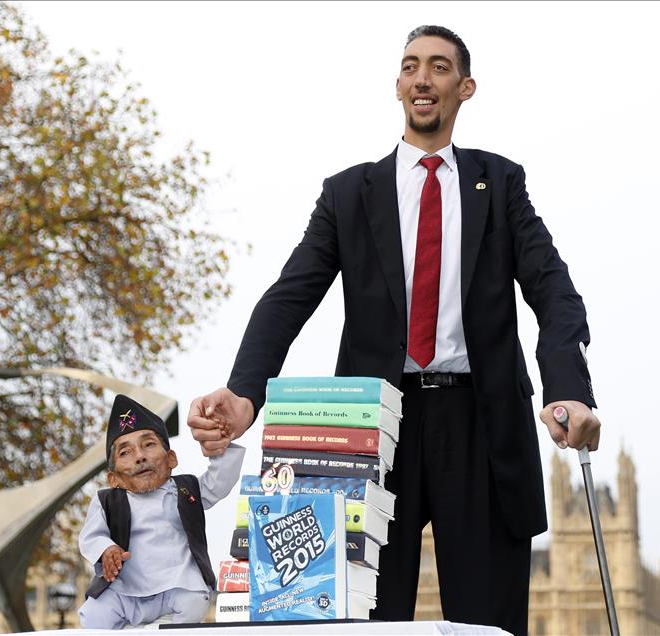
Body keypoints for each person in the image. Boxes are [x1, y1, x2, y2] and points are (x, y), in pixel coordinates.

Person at [187, 25, 600, 635]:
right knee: (360, 622)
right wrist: (245, 392)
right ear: (399, 86)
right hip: (367, 434)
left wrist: (568, 387)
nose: (421, 78)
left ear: (464, 88)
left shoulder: (502, 184)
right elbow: (288, 299)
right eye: (410, 67)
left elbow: (555, 293)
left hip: (482, 430)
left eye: (437, 67)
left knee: (487, 625)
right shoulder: (349, 194)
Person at [78, 394, 245, 629]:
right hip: (126, 592)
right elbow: (90, 536)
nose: (140, 456)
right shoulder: (107, 500)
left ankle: (158, 629)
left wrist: (221, 445)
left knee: (195, 601)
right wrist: (106, 549)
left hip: (176, 585)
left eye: (148, 444)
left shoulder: (185, 490)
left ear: (171, 459)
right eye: (125, 453)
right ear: (113, 478)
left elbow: (218, 483)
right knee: (93, 613)